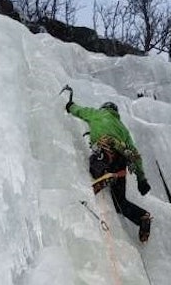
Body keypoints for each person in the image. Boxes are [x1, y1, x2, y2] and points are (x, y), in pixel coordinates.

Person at [63, 86, 152, 243]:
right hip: (121, 164)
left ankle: (103, 174)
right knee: (120, 203)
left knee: (94, 165)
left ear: (104, 108)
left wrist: (70, 106)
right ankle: (142, 217)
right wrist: (141, 179)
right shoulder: (123, 129)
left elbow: (80, 111)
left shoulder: (97, 114)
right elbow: (135, 155)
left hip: (105, 154)